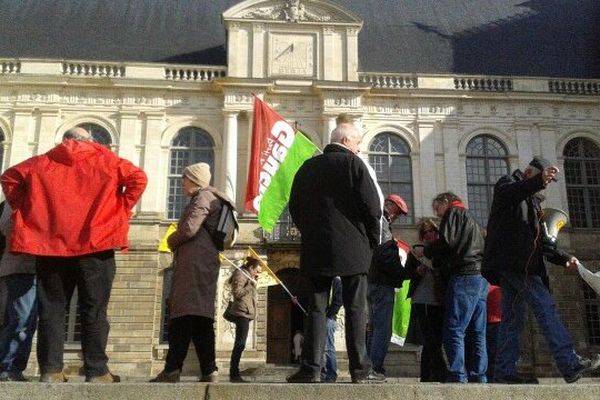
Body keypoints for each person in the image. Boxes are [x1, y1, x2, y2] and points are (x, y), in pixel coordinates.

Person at [0, 126, 147, 383]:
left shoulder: (42, 162)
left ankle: (51, 369)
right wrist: (118, 212)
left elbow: (10, 178)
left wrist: (29, 211)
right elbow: (138, 178)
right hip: (96, 244)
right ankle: (97, 370)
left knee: (52, 310)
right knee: (94, 310)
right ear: (90, 141)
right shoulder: (106, 160)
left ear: (64, 141)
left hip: (50, 246)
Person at [483, 157, 600, 383]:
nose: (546, 184)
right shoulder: (507, 184)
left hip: (519, 266)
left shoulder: (533, 203)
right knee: (546, 309)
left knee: (512, 320)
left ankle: (505, 371)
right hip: (516, 264)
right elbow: (511, 193)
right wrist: (539, 180)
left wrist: (566, 258)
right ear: (530, 173)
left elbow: (544, 243)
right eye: (544, 178)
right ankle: (569, 362)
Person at [287, 122, 384, 384]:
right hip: (354, 247)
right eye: (357, 143)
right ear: (346, 140)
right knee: (356, 309)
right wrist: (372, 240)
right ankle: (360, 371)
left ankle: (310, 370)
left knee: (316, 309)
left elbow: (294, 206)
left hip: (316, 247)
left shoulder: (307, 167)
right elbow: (373, 207)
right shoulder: (354, 165)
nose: (358, 148)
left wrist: (310, 231)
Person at [151, 162, 235, 384]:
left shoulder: (203, 197)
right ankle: (208, 369)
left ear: (195, 180)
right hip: (204, 261)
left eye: (185, 179)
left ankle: (172, 369)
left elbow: (189, 228)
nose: (181, 183)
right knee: (200, 317)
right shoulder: (212, 197)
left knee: (183, 315)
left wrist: (171, 239)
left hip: (194, 263)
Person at [414, 192, 488, 383]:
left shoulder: (453, 212)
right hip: (480, 277)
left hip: (464, 276)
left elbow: (447, 242)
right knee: (477, 331)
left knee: (454, 328)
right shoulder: (473, 218)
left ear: (445, 202)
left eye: (437, 209)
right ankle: (479, 375)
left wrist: (426, 250)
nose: (438, 215)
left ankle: (457, 374)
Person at [366, 194, 409, 377]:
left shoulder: (375, 221)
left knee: (373, 326)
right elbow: (384, 255)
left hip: (371, 280)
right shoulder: (382, 222)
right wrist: (404, 272)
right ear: (389, 205)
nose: (397, 216)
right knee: (382, 328)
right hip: (381, 282)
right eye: (397, 211)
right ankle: (374, 367)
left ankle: (368, 365)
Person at [405, 218, 447, 383]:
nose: (429, 235)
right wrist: (418, 270)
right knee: (429, 338)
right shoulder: (415, 252)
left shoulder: (442, 250)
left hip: (439, 299)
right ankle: (440, 372)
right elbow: (408, 273)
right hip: (422, 300)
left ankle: (427, 375)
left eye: (432, 231)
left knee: (436, 339)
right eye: (426, 232)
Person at [0, 202, 37, 381]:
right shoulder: (15, 198)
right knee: (20, 321)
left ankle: (13, 367)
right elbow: (6, 226)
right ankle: (8, 366)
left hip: (38, 268)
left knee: (28, 322)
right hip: (21, 267)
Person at [228, 257, 262, 383]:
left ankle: (234, 373)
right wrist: (251, 284)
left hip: (246, 313)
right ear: (251, 268)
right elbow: (237, 293)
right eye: (257, 271)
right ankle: (234, 373)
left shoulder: (248, 276)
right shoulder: (241, 274)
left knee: (240, 344)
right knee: (240, 344)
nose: (257, 274)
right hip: (241, 312)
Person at [321, 276, 342, 383]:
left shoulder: (336, 280)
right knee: (321, 347)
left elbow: (338, 300)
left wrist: (329, 315)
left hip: (329, 318)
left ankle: (331, 373)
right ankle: (323, 373)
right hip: (322, 317)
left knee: (328, 347)